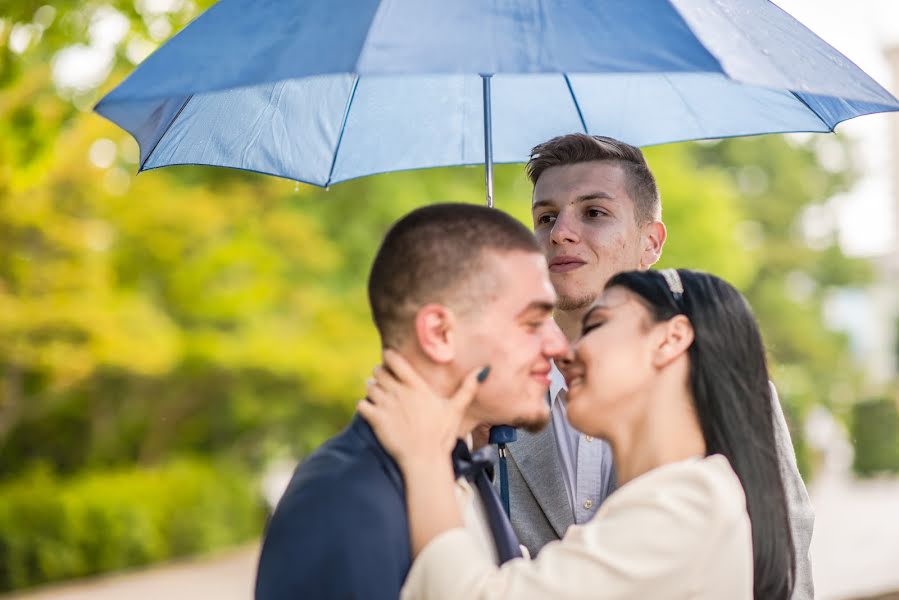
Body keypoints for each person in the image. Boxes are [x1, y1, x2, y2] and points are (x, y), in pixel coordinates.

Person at [359, 268, 795, 600]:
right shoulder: (673, 499)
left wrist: (425, 458)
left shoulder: (688, 501)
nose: (564, 355)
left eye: (596, 325)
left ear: (670, 339)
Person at [508, 133, 814, 598]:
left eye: (594, 212)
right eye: (545, 217)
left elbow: (784, 559)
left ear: (651, 242)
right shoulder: (495, 399)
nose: (560, 233)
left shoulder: (720, 387)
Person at [254, 203, 568, 600]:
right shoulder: (341, 498)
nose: (557, 346)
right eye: (532, 323)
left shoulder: (467, 467)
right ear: (438, 334)